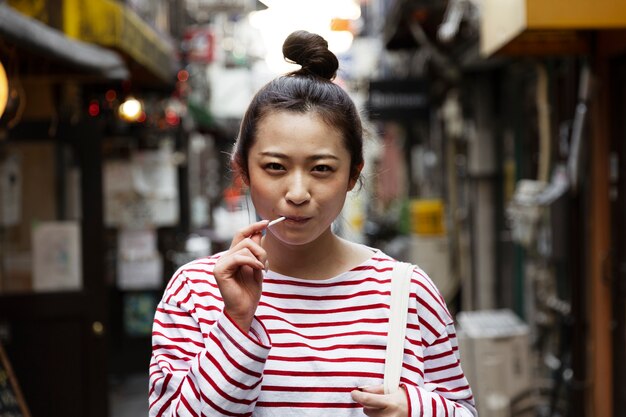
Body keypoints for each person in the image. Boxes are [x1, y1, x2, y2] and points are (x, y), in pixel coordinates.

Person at [149, 30, 477, 417]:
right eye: (275, 167)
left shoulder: (408, 292)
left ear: (353, 175)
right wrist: (236, 324)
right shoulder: (197, 290)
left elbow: (461, 409)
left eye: (322, 169)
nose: (298, 192)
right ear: (243, 171)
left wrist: (415, 408)